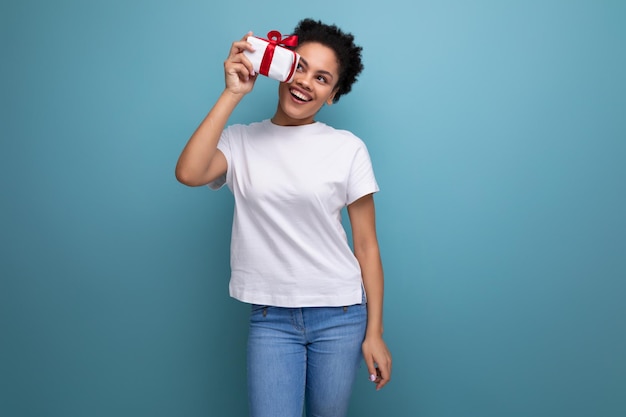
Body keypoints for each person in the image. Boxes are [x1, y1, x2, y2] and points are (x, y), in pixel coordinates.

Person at [175, 18, 391, 417]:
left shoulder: (347, 149)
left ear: (333, 94)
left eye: (323, 78)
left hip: (341, 315)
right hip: (271, 317)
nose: (307, 81)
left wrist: (374, 331)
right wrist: (232, 92)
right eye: (300, 66)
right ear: (280, 64)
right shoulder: (240, 140)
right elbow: (188, 173)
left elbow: (366, 245)